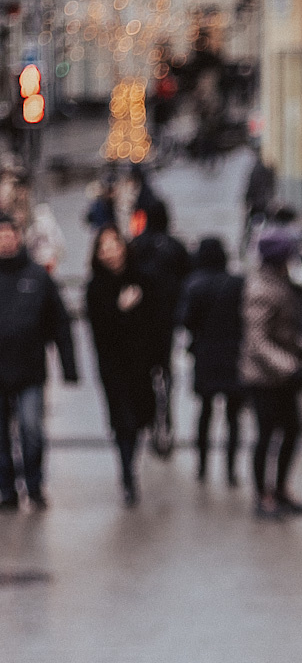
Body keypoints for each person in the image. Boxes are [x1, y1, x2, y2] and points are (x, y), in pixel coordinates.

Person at [0, 211, 78, 511]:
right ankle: (6, 489)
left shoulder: (37, 276)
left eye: (10, 234)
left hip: (29, 370)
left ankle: (34, 486)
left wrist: (69, 366)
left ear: (19, 238)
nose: (6, 241)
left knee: (31, 431)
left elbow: (60, 321)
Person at [240, 229, 302, 519]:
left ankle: (281, 488)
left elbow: (286, 330)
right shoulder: (261, 289)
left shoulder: (280, 282)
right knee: (266, 436)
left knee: (293, 430)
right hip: (264, 378)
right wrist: (290, 365)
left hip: (282, 375)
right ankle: (262, 495)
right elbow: (257, 341)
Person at [86, 226, 156, 505]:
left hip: (140, 364)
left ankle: (131, 462)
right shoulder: (96, 288)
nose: (110, 252)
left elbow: (155, 322)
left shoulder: (142, 280)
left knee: (140, 417)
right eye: (104, 247)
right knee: (122, 420)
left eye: (114, 245)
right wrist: (120, 310)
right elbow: (100, 331)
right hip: (113, 366)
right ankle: (127, 475)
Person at [179, 237, 244, 486]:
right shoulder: (237, 283)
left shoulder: (194, 285)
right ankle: (231, 470)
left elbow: (184, 320)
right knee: (233, 417)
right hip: (233, 355)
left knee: (205, 413)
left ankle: (202, 467)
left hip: (205, 355)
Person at [128, 199, 190, 458]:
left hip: (142, 321)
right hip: (167, 320)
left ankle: (151, 417)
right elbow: (188, 280)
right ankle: (166, 416)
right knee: (166, 369)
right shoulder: (175, 247)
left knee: (145, 370)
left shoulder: (136, 246)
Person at [241, 145, 277, 254]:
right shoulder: (268, 170)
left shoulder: (256, 169)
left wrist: (247, 199)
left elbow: (251, 187)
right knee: (265, 225)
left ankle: (246, 248)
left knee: (249, 227)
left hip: (257, 203)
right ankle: (262, 246)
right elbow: (271, 187)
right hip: (264, 202)